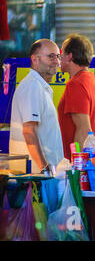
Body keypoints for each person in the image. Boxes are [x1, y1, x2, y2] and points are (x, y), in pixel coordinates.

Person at [9, 39, 64, 175]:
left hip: (45, 174)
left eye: (58, 56)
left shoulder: (40, 86)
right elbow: (29, 131)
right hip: (36, 177)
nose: (56, 61)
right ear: (35, 59)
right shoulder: (32, 86)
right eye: (51, 56)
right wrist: (44, 169)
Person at [58, 33, 95, 160]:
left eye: (61, 53)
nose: (59, 58)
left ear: (70, 56)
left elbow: (83, 130)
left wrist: (78, 168)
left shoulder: (75, 84)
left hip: (84, 164)